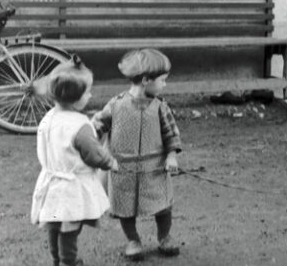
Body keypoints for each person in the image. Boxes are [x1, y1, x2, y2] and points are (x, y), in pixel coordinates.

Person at [92, 49, 183, 261]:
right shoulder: (115, 105)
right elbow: (97, 126)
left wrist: (171, 156)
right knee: (125, 209)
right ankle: (133, 240)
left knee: (163, 207)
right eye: (162, 80)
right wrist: (89, 137)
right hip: (123, 171)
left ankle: (164, 236)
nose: (164, 85)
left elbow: (171, 134)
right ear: (145, 80)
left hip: (155, 170)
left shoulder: (161, 108)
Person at [31, 56, 118, 266]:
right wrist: (110, 162)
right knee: (70, 228)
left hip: (51, 180)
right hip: (71, 186)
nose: (90, 95)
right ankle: (68, 261)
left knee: (54, 224)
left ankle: (56, 259)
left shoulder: (48, 118)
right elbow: (93, 153)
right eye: (88, 92)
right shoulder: (80, 125)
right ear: (77, 98)